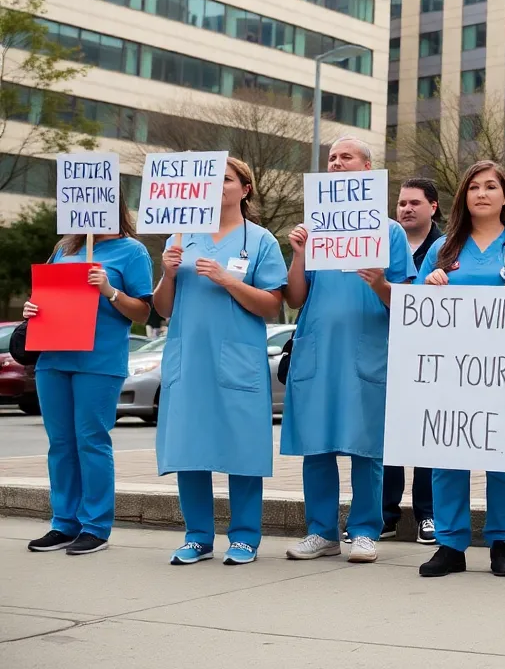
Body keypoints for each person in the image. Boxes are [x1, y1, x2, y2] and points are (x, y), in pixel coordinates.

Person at [417, 161, 505, 578]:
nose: (482, 194)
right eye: (474, 187)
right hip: (453, 373)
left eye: (491, 187)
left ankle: (502, 541)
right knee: (447, 455)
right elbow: (417, 313)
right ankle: (450, 544)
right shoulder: (443, 248)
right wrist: (429, 289)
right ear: (464, 196)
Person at [280, 138, 415, 565]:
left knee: (366, 445)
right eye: (332, 158)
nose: (337, 163)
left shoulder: (389, 231)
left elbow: (404, 300)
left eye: (346, 157)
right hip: (317, 349)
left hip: (367, 349)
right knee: (315, 444)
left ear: (367, 167)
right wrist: (299, 254)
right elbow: (296, 298)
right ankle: (321, 531)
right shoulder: (312, 229)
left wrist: (378, 282)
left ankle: (363, 530)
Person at [153, 158, 288, 566]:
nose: (217, 187)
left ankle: (245, 536)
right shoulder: (181, 237)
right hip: (189, 358)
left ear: (244, 189)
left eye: (226, 180)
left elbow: (272, 306)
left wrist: (229, 280)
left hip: (237, 358)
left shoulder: (261, 240)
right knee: (188, 448)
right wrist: (168, 274)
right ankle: (197, 536)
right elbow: (162, 308)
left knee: (242, 445)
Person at [24, 204, 154, 556]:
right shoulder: (64, 249)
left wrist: (109, 290)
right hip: (53, 356)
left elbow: (143, 311)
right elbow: (46, 297)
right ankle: (63, 523)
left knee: (90, 440)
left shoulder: (133, 250)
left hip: (99, 359)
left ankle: (95, 526)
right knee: (60, 443)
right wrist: (32, 308)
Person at [380, 177, 444, 544]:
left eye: (414, 203)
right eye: (401, 203)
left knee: (428, 435)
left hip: (432, 356)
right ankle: (386, 514)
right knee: (387, 436)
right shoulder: (381, 241)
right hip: (385, 352)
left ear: (432, 207)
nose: (405, 208)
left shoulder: (449, 247)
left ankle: (427, 514)